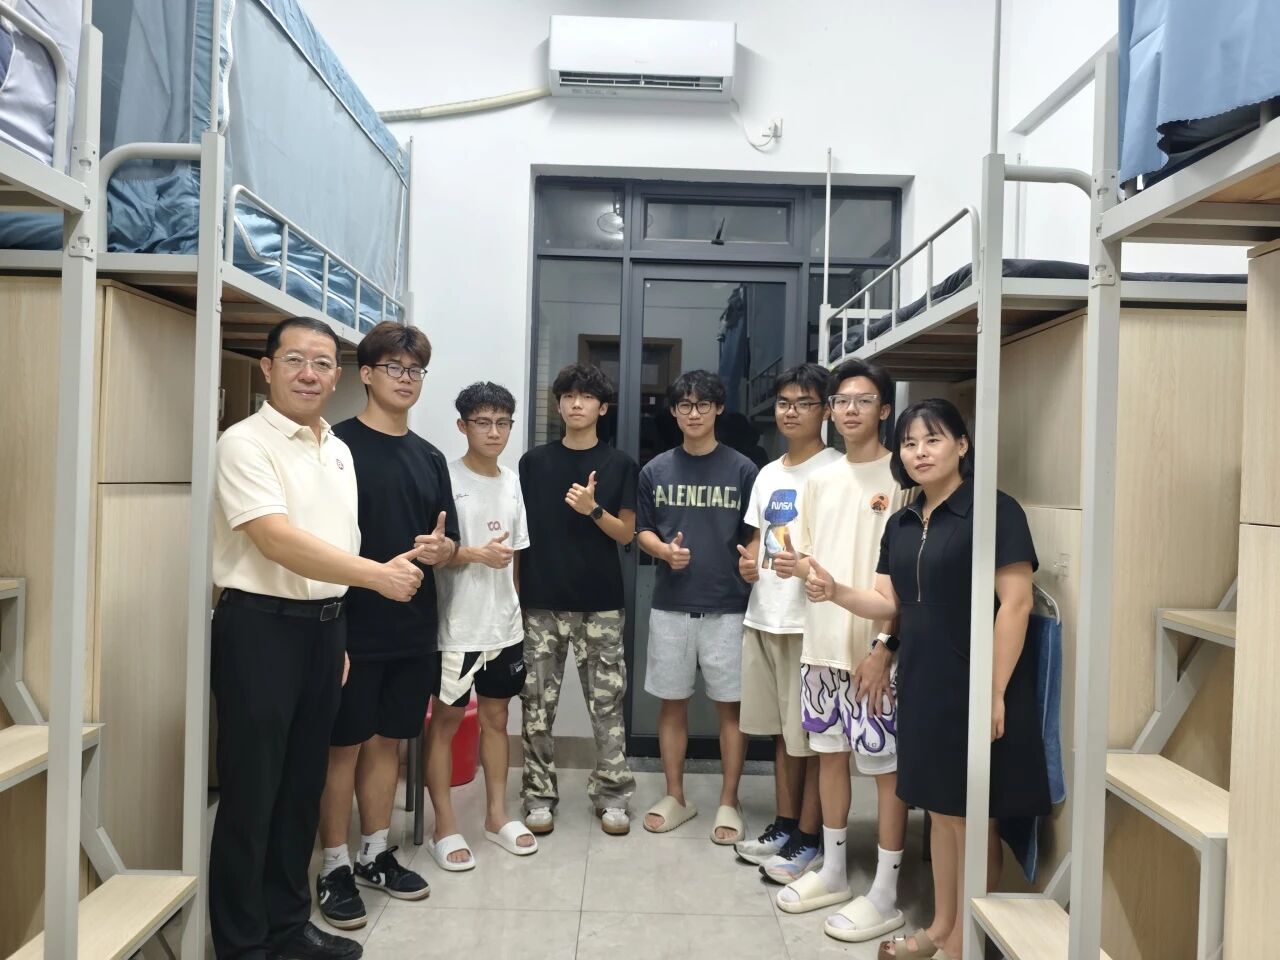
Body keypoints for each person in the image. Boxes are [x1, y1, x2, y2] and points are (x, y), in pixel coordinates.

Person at [211, 317, 427, 960]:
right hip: (260, 627)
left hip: (325, 630)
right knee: (252, 793)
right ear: (267, 368)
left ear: (338, 376)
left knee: (301, 788)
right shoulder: (244, 443)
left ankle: (286, 928)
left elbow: (338, 542)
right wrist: (377, 577)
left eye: (323, 363)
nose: (310, 374)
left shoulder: (335, 447)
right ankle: (243, 945)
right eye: (296, 360)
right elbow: (275, 539)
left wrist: (340, 631)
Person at [805, 397, 1049, 960]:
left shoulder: (994, 510)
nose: (920, 452)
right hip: (921, 679)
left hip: (974, 681)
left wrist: (993, 690)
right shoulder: (903, 519)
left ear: (962, 445)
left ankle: (964, 942)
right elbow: (888, 602)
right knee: (940, 812)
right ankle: (941, 928)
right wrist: (835, 590)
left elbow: (1016, 604)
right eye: (911, 442)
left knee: (970, 817)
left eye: (933, 439)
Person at [314, 322, 457, 931]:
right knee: (342, 745)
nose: (406, 378)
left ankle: (375, 852)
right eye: (394, 367)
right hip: (349, 624)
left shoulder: (429, 457)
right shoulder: (334, 447)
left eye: (415, 369)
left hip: (412, 627)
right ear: (366, 375)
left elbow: (448, 543)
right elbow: (316, 542)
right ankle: (334, 864)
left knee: (388, 743)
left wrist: (444, 550)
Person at [771, 358, 913, 944]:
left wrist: (885, 646)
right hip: (822, 644)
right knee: (829, 757)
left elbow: (908, 575)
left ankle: (885, 890)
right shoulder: (819, 480)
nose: (850, 410)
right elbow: (807, 556)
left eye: (863, 400)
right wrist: (794, 565)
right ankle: (832, 870)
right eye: (841, 401)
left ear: (885, 408)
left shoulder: (902, 477)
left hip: (876, 651)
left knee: (885, 769)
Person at [636, 370, 758, 843]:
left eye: (702, 404)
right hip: (671, 606)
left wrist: (751, 561)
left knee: (731, 709)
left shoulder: (743, 470)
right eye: (684, 405)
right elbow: (643, 530)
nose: (693, 413)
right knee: (672, 704)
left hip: (729, 606)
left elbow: (755, 533)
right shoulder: (655, 470)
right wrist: (664, 552)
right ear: (673, 412)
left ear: (718, 409)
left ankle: (729, 801)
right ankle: (676, 796)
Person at [518, 362, 638, 837]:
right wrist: (517, 592)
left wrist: (593, 509)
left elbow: (626, 534)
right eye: (568, 396)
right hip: (542, 601)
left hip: (600, 603)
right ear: (558, 404)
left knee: (607, 704)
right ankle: (538, 795)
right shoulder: (534, 462)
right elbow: (521, 535)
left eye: (586, 397)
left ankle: (613, 795)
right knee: (536, 706)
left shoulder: (620, 464)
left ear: (602, 408)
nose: (576, 404)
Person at [733, 364, 841, 880]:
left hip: (809, 623)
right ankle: (785, 822)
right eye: (783, 402)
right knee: (781, 733)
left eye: (803, 403)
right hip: (764, 616)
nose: (790, 412)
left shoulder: (836, 471)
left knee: (814, 739)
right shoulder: (767, 474)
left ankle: (809, 837)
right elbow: (757, 541)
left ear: (825, 411)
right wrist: (747, 564)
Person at [425, 382, 538, 870]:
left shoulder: (512, 480)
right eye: (483, 422)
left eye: (502, 423)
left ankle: (496, 816)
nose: (494, 432)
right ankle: (444, 826)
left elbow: (516, 556)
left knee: (497, 720)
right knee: (445, 724)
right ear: (462, 425)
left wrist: (516, 612)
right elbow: (434, 553)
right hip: (458, 628)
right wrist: (474, 554)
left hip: (504, 627)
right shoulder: (445, 479)